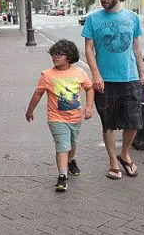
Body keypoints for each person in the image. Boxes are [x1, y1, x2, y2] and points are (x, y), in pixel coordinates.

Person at [81, 0, 144, 179]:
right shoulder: (94, 19)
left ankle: (124, 154)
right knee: (109, 124)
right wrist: (95, 74)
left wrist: (142, 75)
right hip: (105, 81)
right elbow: (88, 49)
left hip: (130, 79)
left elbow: (137, 49)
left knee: (134, 123)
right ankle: (113, 162)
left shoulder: (132, 17)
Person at [25, 40, 94, 191]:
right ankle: (62, 176)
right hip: (56, 118)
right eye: (53, 54)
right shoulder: (47, 75)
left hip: (75, 117)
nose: (55, 57)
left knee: (71, 143)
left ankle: (71, 160)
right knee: (62, 145)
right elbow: (38, 94)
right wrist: (30, 110)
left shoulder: (79, 72)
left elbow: (89, 88)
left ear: (69, 57)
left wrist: (89, 108)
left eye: (59, 54)